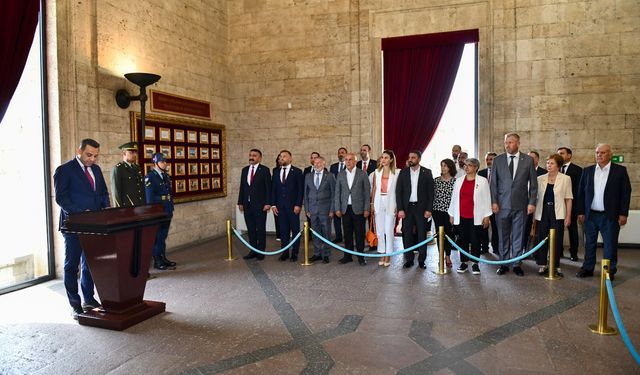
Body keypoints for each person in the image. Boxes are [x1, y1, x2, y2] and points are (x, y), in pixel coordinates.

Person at [54, 138, 110, 319]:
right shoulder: (64, 170)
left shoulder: (96, 169)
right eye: (89, 155)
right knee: (72, 266)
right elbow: (61, 198)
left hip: (94, 225)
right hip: (73, 224)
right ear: (79, 151)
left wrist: (106, 210)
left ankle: (88, 298)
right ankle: (75, 304)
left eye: (95, 156)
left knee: (90, 264)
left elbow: (102, 193)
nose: (92, 159)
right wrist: (81, 213)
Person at [576, 144, 631, 281]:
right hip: (590, 215)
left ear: (610, 155)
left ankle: (609, 270)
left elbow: (626, 193)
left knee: (610, 244)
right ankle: (588, 268)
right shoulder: (587, 171)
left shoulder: (620, 171)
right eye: (597, 152)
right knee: (590, 243)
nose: (599, 155)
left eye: (603, 152)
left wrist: (623, 213)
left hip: (610, 215)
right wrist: (581, 212)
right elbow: (581, 193)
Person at [490, 133, 538, 276]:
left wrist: (532, 202)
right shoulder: (497, 160)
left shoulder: (528, 160)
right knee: (503, 236)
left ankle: (517, 264)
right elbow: (493, 184)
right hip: (501, 205)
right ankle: (503, 263)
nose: (507, 145)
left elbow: (534, 185)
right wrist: (493, 202)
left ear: (518, 143)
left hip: (521, 205)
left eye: (510, 142)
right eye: (506, 142)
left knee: (518, 235)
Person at [449, 158, 492, 275]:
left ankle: (475, 263)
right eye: (465, 165)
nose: (466, 167)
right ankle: (463, 262)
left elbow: (487, 199)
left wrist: (487, 216)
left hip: (476, 217)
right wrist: (452, 214)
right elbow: (454, 199)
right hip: (461, 216)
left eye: (470, 165)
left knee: (475, 241)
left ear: (476, 168)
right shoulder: (458, 181)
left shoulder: (483, 181)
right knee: (462, 240)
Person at [532, 154, 573, 277]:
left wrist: (568, 216)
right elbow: (536, 198)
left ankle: (555, 266)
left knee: (557, 239)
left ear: (558, 165)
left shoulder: (566, 179)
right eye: (548, 163)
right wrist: (534, 217)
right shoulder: (540, 178)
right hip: (543, 211)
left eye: (552, 163)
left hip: (558, 212)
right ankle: (542, 264)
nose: (549, 165)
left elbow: (569, 198)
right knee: (542, 239)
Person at [395, 150, 434, 269]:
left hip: (421, 208)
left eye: (413, 157)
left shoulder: (427, 172)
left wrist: (429, 209)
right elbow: (399, 192)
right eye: (409, 157)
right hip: (407, 208)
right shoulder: (403, 172)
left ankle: (422, 260)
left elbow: (431, 193)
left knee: (422, 234)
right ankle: (409, 259)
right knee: (406, 234)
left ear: (419, 159)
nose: (410, 159)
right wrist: (400, 209)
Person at [335, 152, 371, 265]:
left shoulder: (362, 174)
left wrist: (367, 209)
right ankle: (348, 256)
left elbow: (367, 193)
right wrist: (337, 208)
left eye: (350, 159)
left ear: (355, 161)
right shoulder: (341, 174)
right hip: (345, 209)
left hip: (359, 209)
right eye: (346, 159)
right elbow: (337, 193)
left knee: (360, 234)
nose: (348, 162)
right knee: (347, 233)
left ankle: (361, 257)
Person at [238, 149, 271, 261]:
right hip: (247, 205)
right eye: (250, 155)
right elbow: (242, 187)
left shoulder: (265, 170)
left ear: (260, 158)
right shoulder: (244, 170)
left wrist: (268, 203)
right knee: (251, 229)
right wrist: (240, 202)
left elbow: (268, 188)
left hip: (261, 205)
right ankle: (253, 250)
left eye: (254, 155)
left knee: (260, 229)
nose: (251, 157)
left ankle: (261, 251)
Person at [145, 153, 177, 271]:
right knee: (157, 237)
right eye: (162, 161)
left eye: (165, 161)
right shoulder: (150, 177)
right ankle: (157, 260)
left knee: (163, 236)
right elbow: (149, 198)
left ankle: (163, 257)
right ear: (155, 163)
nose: (165, 163)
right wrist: (152, 213)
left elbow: (169, 194)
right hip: (157, 211)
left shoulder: (166, 176)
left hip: (167, 210)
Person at [271, 150, 304, 262]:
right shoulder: (275, 172)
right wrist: (273, 205)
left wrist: (298, 204)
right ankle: (284, 252)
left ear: (290, 158)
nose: (282, 158)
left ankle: (294, 252)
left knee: (295, 230)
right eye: (281, 156)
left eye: (284, 156)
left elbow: (300, 190)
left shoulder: (297, 172)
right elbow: (273, 190)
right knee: (283, 230)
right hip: (280, 207)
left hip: (293, 207)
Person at [304, 156, 336, 263]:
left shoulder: (330, 176)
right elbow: (306, 194)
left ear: (324, 164)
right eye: (315, 163)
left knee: (326, 232)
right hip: (312, 210)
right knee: (315, 233)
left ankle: (326, 254)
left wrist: (332, 210)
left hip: (325, 210)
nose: (317, 165)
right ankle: (317, 253)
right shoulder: (308, 176)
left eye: (319, 163)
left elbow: (333, 194)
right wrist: (307, 209)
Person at [370, 150, 398, 267]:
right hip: (378, 201)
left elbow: (398, 191)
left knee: (388, 230)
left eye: (386, 158)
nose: (383, 160)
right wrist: (371, 204)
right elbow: (375, 188)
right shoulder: (377, 172)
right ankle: (381, 254)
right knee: (380, 231)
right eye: (382, 157)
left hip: (391, 202)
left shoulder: (397, 172)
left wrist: (398, 206)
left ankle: (388, 255)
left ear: (391, 159)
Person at [557, 147, 583, 261]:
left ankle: (573, 253)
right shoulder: (555, 169)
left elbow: (579, 190)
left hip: (571, 205)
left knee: (572, 230)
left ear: (569, 155)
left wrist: (578, 209)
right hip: (557, 205)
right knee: (558, 230)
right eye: (558, 154)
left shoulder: (577, 170)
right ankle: (559, 251)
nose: (559, 155)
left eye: (562, 153)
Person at [432, 158, 457, 268]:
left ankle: (448, 256)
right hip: (437, 211)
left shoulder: (455, 181)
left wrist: (454, 213)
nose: (443, 168)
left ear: (450, 167)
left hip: (450, 212)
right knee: (439, 234)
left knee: (449, 234)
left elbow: (456, 199)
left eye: (445, 166)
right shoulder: (436, 180)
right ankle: (440, 256)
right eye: (441, 165)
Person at [524, 150, 547, 253]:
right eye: (528, 158)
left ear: (537, 159)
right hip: (524, 206)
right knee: (524, 229)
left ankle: (538, 252)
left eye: (533, 158)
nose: (530, 160)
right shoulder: (523, 171)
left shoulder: (544, 173)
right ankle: (524, 250)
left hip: (539, 205)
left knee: (538, 230)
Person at [111, 141, 145, 207]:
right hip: (127, 207)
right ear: (124, 153)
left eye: (135, 152)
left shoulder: (137, 168)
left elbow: (141, 189)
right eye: (131, 152)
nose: (135, 155)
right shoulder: (118, 169)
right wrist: (119, 210)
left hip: (139, 206)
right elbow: (116, 193)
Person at [478, 152, 499, 254]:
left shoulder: (501, 173)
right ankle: (484, 247)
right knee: (483, 227)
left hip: (496, 204)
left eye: (491, 159)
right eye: (487, 159)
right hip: (484, 205)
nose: (489, 161)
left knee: (496, 227)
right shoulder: (481, 173)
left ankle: (496, 248)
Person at [329, 147, 348, 243]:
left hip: (345, 196)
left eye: (343, 153)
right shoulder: (333, 166)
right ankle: (338, 236)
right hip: (335, 196)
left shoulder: (349, 166)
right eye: (339, 153)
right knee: (336, 218)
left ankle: (347, 236)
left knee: (346, 218)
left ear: (346, 154)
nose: (341, 154)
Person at [273, 155, 281, 241]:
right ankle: (278, 235)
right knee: (277, 217)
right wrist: (273, 204)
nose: (281, 159)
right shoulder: (275, 170)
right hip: (277, 199)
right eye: (279, 158)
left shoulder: (295, 171)